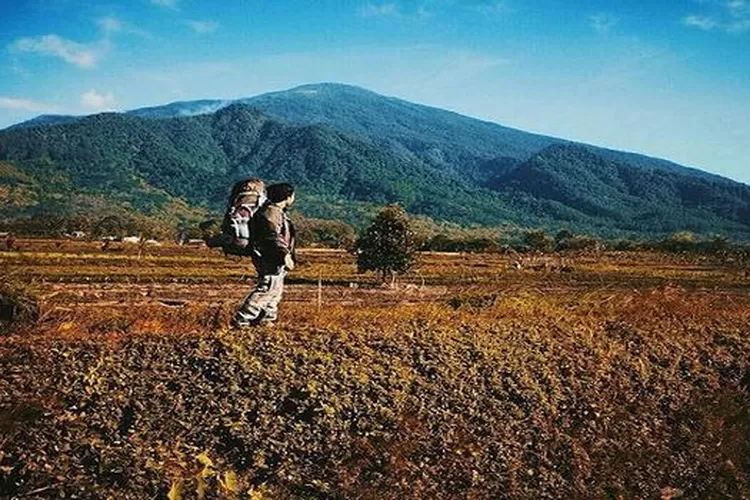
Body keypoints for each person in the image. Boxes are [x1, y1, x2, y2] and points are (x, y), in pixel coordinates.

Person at [231, 183, 296, 328]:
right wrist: (284, 255)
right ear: (288, 197)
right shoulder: (271, 213)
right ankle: (242, 318)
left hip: (271, 256)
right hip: (269, 256)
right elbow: (272, 236)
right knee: (267, 287)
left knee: (275, 290)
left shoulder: (274, 211)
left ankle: (266, 319)